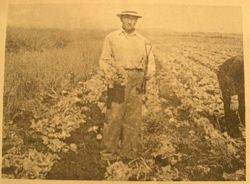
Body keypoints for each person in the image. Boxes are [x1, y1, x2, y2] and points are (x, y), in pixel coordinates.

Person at [99, 10, 156, 164]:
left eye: (133, 19)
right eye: (127, 18)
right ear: (121, 19)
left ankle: (129, 154)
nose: (130, 22)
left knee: (133, 117)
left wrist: (148, 74)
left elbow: (151, 63)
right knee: (114, 116)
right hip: (118, 79)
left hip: (137, 80)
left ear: (136, 21)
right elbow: (104, 60)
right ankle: (108, 154)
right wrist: (110, 75)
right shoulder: (111, 38)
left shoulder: (144, 41)